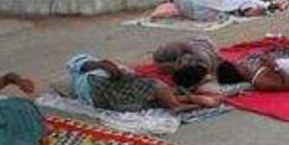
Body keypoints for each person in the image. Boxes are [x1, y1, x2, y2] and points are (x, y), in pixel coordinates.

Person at [66, 55, 221, 113]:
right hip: (102, 88)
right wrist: (104, 66)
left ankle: (189, 100)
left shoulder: (80, 84)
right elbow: (107, 69)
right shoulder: (85, 68)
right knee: (154, 85)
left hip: (109, 99)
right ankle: (180, 103)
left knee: (148, 95)